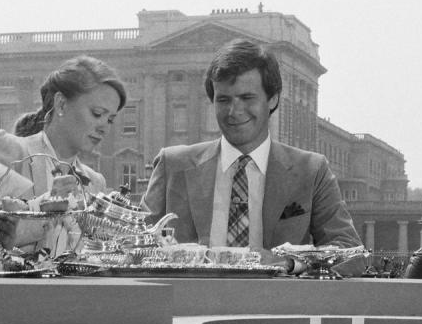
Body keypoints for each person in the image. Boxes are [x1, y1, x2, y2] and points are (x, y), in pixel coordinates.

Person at [141, 38, 361, 254]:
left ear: (273, 99)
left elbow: (350, 251)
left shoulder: (312, 171)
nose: (234, 111)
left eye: (247, 98)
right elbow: (136, 244)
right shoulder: (172, 165)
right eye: (224, 100)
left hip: (273, 291)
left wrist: (289, 263)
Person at [0, 55, 127, 255]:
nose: (104, 127)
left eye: (110, 119)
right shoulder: (6, 150)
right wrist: (48, 207)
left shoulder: (95, 182)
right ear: (61, 104)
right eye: (97, 113)